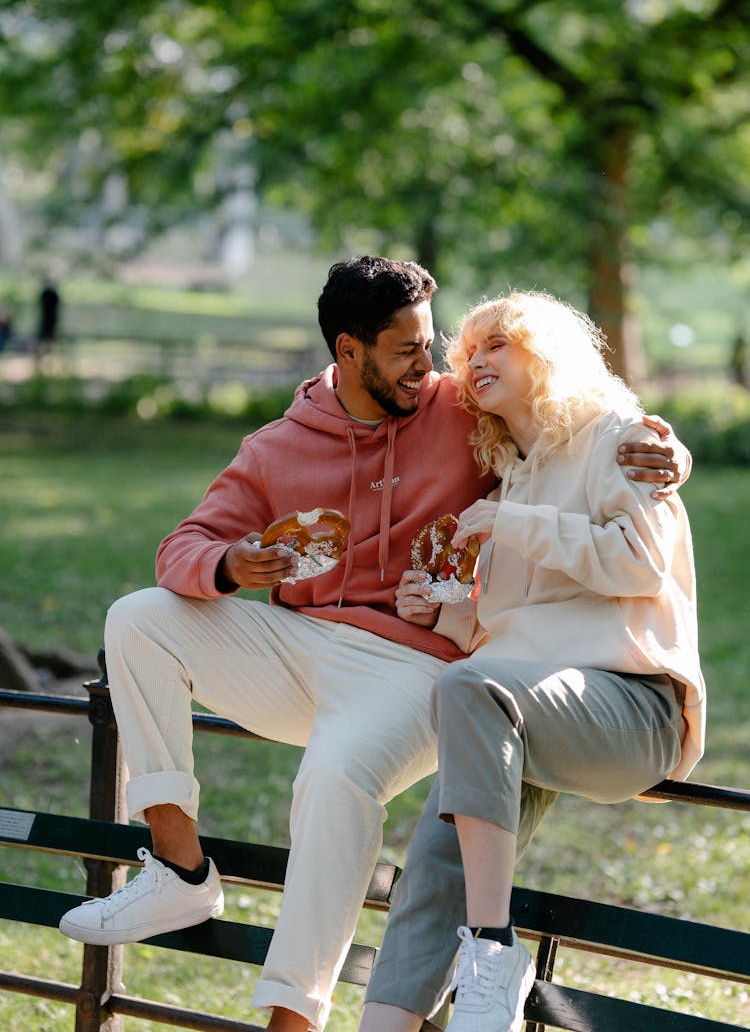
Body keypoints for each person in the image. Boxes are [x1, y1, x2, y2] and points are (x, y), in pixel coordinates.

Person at [58, 258, 688, 1032]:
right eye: (406, 350)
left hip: (418, 668)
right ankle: (178, 866)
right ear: (349, 351)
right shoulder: (277, 446)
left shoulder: (462, 405)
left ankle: (293, 1015)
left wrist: (667, 450)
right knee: (139, 615)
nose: (430, 366)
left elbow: (571, 412)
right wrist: (228, 562)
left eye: (431, 345)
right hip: (297, 643)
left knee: (333, 778)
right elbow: (183, 545)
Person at [360, 290, 705, 1032]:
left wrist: (515, 525)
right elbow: (511, 633)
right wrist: (440, 612)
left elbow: (642, 563)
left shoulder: (620, 436)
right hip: (522, 708)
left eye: (498, 344)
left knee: (471, 687)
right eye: (468, 353)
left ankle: (491, 950)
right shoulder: (510, 473)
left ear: (546, 351)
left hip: (632, 708)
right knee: (428, 876)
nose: (476, 361)